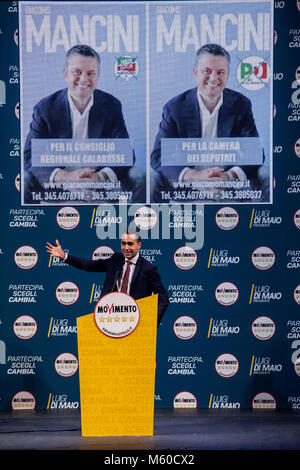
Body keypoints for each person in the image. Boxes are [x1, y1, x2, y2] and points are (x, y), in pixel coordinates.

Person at [24, 44, 145, 203]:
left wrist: (100, 177)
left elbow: (126, 154)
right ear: (65, 73)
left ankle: (135, 225)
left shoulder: (111, 105)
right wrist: (65, 177)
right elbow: (30, 156)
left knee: (139, 177)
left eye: (91, 73)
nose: (84, 79)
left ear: (98, 76)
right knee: (25, 181)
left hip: (98, 183)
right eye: (77, 72)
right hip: (60, 184)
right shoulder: (46, 108)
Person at [150, 43, 265, 202]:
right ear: (195, 72)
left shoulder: (241, 105)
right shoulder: (175, 108)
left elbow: (255, 153)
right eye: (207, 71)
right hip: (188, 186)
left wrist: (228, 176)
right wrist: (194, 176)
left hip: (227, 185)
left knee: (265, 176)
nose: (213, 78)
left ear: (227, 75)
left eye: (220, 72)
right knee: (153, 180)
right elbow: (158, 156)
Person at [46, 231, 169, 327]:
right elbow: (89, 265)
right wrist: (64, 256)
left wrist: (150, 324)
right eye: (123, 243)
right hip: (109, 319)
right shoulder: (115, 259)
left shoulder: (148, 268)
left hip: (134, 322)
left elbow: (163, 298)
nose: (126, 247)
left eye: (130, 244)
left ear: (139, 245)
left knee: (135, 359)